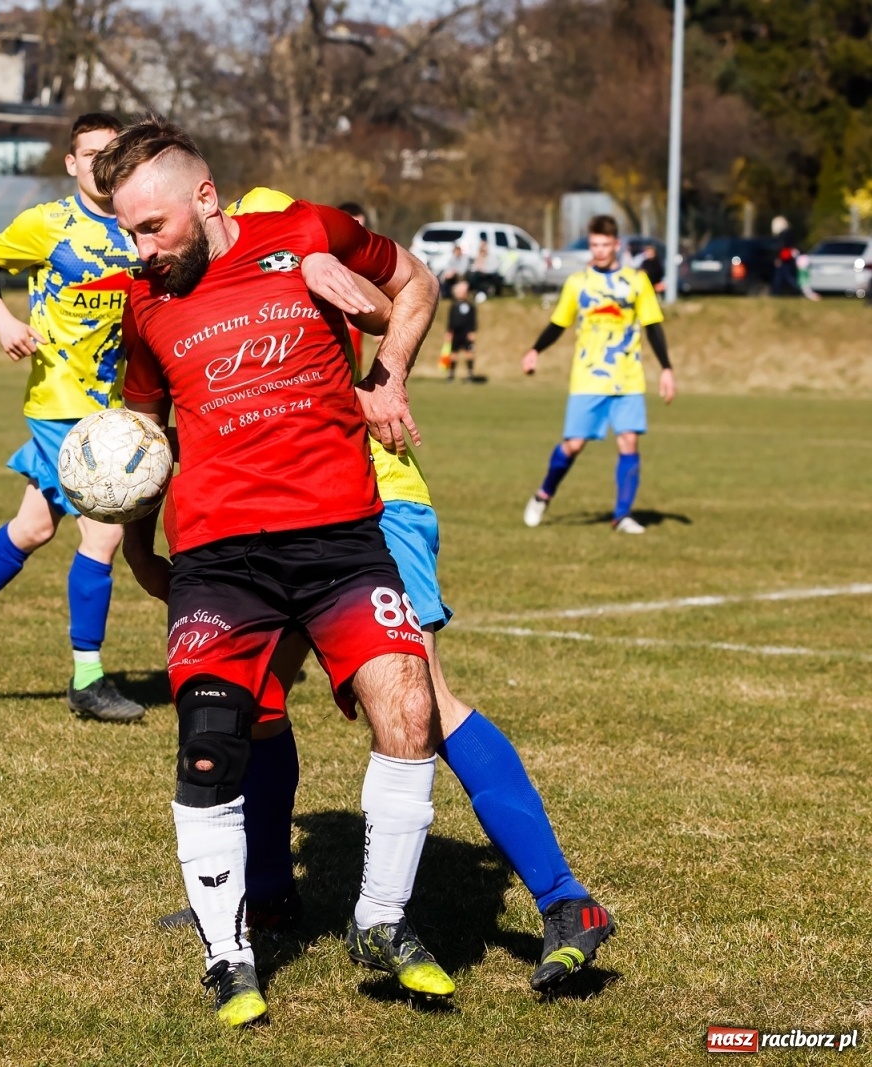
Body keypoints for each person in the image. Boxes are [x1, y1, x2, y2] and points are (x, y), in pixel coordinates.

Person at [154, 187, 616, 997]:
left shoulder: (279, 217)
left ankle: (562, 897)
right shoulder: (166, 261)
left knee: (422, 700)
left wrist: (384, 361)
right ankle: (262, 897)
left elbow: (397, 287)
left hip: (370, 502)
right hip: (264, 523)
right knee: (254, 702)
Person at [95, 118, 451, 1026]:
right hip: (220, 555)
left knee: (408, 711)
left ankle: (380, 919)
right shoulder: (141, 304)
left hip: (340, 537)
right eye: (125, 230)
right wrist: (140, 546)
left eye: (149, 227)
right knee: (212, 738)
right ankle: (229, 955)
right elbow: (141, 437)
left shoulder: (307, 234)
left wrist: (390, 372)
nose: (138, 250)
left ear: (205, 197)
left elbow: (416, 280)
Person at [0, 112, 150, 723]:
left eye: (112, 152)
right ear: (71, 163)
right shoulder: (49, 224)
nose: (101, 162)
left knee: (33, 528)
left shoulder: (139, 226)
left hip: (113, 407)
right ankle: (88, 679)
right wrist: (2, 321)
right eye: (90, 153)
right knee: (103, 533)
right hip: (59, 403)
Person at [521, 214, 675, 534]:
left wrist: (666, 369)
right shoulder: (578, 283)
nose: (600, 250)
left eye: (605, 244)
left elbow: (653, 326)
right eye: (594, 245)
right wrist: (535, 350)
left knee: (629, 441)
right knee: (573, 445)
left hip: (628, 376)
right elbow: (558, 323)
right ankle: (543, 494)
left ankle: (622, 515)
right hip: (589, 377)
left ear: (616, 245)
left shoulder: (637, 281)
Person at [444, 278, 477, 381]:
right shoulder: (454, 305)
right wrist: (449, 331)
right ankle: (451, 374)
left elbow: (473, 320)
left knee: (469, 353)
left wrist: (472, 331)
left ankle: (470, 374)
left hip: (466, 332)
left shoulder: (470, 306)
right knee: (454, 353)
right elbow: (450, 320)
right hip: (456, 333)